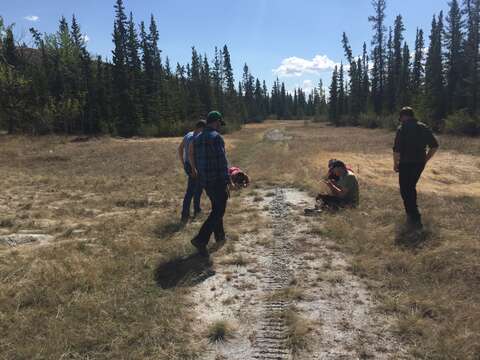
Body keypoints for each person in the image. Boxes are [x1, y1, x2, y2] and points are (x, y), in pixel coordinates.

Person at [189, 111, 230, 256]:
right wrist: (227, 180)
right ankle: (201, 239)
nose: (220, 126)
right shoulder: (216, 138)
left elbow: (198, 160)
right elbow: (222, 161)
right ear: (217, 122)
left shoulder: (197, 138)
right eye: (220, 123)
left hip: (206, 181)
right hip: (218, 181)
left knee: (216, 208)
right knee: (219, 210)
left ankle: (220, 237)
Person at [393, 107, 439, 228]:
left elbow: (397, 150)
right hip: (419, 163)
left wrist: (395, 163)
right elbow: (434, 146)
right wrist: (425, 160)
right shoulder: (423, 127)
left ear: (404, 116)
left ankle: (413, 215)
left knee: (405, 189)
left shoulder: (402, 128)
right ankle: (413, 214)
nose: (401, 120)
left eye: (401, 118)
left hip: (405, 163)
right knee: (411, 187)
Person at [178, 120, 206, 222]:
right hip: (193, 166)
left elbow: (180, 148)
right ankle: (185, 214)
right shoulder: (195, 138)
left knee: (197, 188)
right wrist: (193, 169)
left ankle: (196, 210)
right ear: (200, 128)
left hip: (188, 165)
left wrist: (183, 162)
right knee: (192, 190)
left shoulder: (188, 134)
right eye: (204, 129)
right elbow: (190, 155)